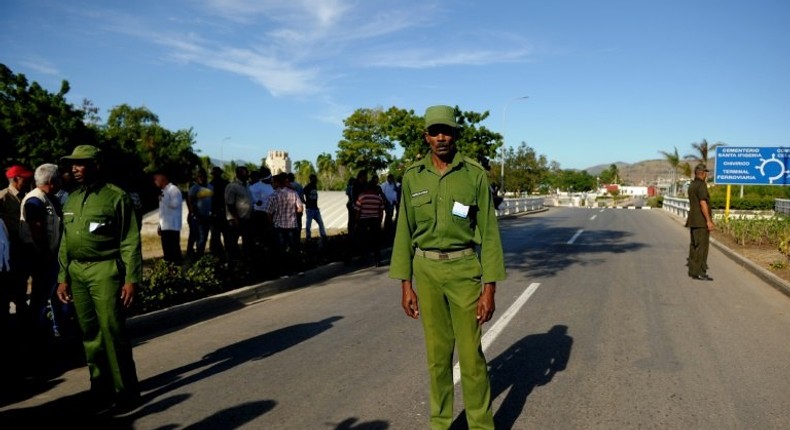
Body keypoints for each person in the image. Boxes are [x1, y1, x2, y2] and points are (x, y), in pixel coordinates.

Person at [389, 105, 506, 429]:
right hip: (426, 273)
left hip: (464, 270)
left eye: (447, 131)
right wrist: (405, 285)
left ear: (455, 135)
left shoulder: (474, 175)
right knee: (438, 360)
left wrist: (489, 288)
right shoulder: (413, 177)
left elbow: (490, 235)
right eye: (435, 131)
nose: (441, 137)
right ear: (426, 137)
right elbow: (404, 233)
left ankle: (481, 425)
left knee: (471, 359)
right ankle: (440, 424)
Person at [56, 145, 142, 413]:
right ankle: (100, 387)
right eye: (72, 164)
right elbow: (65, 242)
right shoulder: (70, 199)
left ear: (96, 165)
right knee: (90, 333)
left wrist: (131, 279)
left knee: (112, 331)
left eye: (81, 164)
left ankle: (124, 391)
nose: (75, 169)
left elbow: (130, 240)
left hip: (106, 270)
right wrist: (63, 277)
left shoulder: (115, 197)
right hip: (77, 273)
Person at [20, 163, 71, 343]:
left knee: (58, 296)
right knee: (40, 300)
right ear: (51, 180)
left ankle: (60, 333)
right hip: (43, 258)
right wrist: (46, 254)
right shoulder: (35, 200)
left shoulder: (48, 197)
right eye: (58, 179)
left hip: (51, 257)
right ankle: (36, 338)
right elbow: (36, 229)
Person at [0, 164, 34, 338]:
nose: (27, 180)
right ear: (15, 179)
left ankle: (23, 330)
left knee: (21, 293)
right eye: (24, 178)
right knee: (6, 293)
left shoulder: (27, 197)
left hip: (23, 252)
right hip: (8, 254)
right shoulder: (3, 197)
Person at [265, 173, 304, 277]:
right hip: (292, 225)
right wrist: (294, 212)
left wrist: (270, 224)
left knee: (281, 250)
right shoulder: (293, 193)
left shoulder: (273, 196)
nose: (272, 184)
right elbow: (300, 208)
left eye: (273, 182)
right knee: (294, 249)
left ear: (278, 182)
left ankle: (284, 272)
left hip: (279, 226)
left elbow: (268, 213)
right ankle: (298, 270)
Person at [687, 163, 715, 281]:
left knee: (694, 246)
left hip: (693, 220)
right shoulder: (701, 185)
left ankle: (693, 271)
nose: (706, 175)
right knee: (702, 247)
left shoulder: (692, 185)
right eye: (706, 173)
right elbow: (703, 203)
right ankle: (700, 272)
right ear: (703, 174)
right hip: (701, 221)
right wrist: (708, 221)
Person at [153, 169, 183, 264]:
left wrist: (163, 199)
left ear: (163, 178)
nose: (155, 181)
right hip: (165, 226)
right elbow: (163, 211)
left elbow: (175, 204)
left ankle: (177, 272)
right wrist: (160, 225)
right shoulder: (163, 191)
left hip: (172, 227)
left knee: (174, 253)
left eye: (156, 178)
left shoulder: (174, 190)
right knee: (167, 253)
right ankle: (170, 273)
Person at [224, 166, 253, 260]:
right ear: (239, 174)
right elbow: (230, 204)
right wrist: (235, 218)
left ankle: (245, 260)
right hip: (236, 219)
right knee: (233, 241)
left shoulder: (247, 185)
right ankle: (233, 261)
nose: (247, 174)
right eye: (245, 173)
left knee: (247, 241)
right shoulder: (232, 186)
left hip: (247, 218)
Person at [354, 180, 385, 265]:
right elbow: (381, 212)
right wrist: (379, 222)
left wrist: (356, 222)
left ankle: (363, 258)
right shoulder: (379, 198)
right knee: (376, 241)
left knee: (363, 240)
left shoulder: (362, 197)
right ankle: (377, 260)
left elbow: (357, 211)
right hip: (375, 221)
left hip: (363, 221)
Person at [187, 168, 213, 258]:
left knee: (204, 236)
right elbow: (190, 200)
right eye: (199, 176)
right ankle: (196, 254)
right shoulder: (195, 188)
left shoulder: (210, 187)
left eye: (203, 176)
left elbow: (212, 200)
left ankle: (199, 253)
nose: (201, 178)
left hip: (207, 216)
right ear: (197, 178)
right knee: (198, 236)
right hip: (197, 216)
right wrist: (193, 213)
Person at [250, 167, 275, 256]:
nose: (270, 179)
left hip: (270, 213)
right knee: (261, 235)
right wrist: (257, 201)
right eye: (269, 177)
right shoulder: (256, 186)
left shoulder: (270, 186)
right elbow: (250, 194)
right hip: (260, 214)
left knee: (269, 235)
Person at [209, 166, 229, 256]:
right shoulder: (211, 185)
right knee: (218, 235)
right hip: (218, 212)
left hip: (221, 212)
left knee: (222, 234)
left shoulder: (212, 185)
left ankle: (221, 252)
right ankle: (220, 252)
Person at [302, 174, 328, 245]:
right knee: (308, 225)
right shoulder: (308, 187)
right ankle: (308, 237)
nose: (316, 180)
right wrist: (304, 201)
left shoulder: (314, 186)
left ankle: (323, 236)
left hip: (316, 209)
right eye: (314, 179)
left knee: (321, 223)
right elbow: (301, 193)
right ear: (311, 179)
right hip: (310, 209)